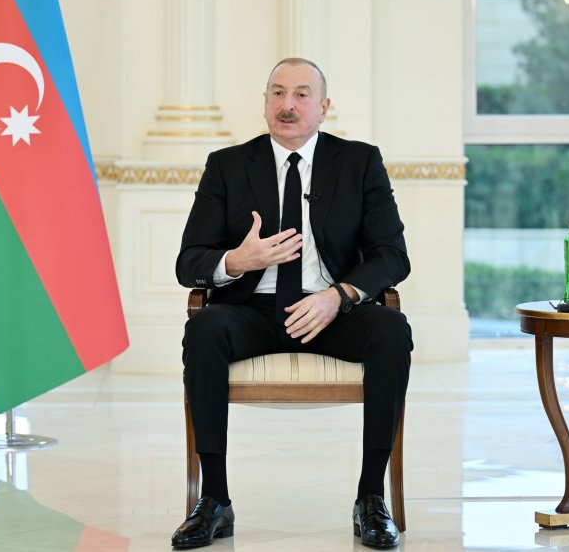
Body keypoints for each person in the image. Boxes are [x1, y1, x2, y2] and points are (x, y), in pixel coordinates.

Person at [172, 58, 412, 549]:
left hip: (331, 311)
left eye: (302, 94)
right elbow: (189, 262)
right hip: (252, 311)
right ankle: (214, 500)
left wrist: (339, 295)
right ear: (264, 104)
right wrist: (237, 261)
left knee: (391, 329)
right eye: (278, 93)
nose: (288, 105)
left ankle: (371, 497)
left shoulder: (360, 162)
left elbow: (392, 255)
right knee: (204, 328)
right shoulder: (227, 165)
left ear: (324, 107)